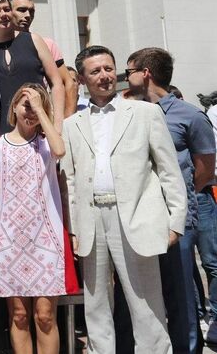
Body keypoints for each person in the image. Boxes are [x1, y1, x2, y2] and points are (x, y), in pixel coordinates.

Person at [60, 45, 187, 353]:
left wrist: (176, 221)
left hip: (135, 216)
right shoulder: (72, 124)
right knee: (96, 305)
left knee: (146, 303)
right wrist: (74, 228)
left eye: (108, 68)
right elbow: (70, 182)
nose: (104, 76)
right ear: (82, 79)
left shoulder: (145, 113)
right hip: (91, 221)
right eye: (95, 71)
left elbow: (169, 170)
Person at [119, 47, 215, 353]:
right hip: (140, 217)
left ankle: (188, 348)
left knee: (181, 293)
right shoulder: (130, 113)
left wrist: (177, 199)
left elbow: (205, 167)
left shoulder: (190, 116)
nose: (125, 77)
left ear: (145, 73)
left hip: (176, 219)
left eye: (129, 71)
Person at [0, 83, 68, 354]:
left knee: (45, 315)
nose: (31, 112)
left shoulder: (47, 142)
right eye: (26, 106)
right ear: (14, 107)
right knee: (19, 315)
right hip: (9, 239)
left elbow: (60, 151)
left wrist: (42, 112)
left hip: (44, 237)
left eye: (37, 107)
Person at [0, 0, 65, 137]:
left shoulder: (34, 40)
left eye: (6, 9)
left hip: (37, 128)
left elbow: (56, 83)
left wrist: (57, 125)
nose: (3, 14)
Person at [10, 0, 77, 118]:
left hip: (38, 117)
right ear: (9, 12)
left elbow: (68, 83)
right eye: (21, 10)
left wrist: (66, 121)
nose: (28, 15)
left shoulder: (46, 44)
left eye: (31, 11)